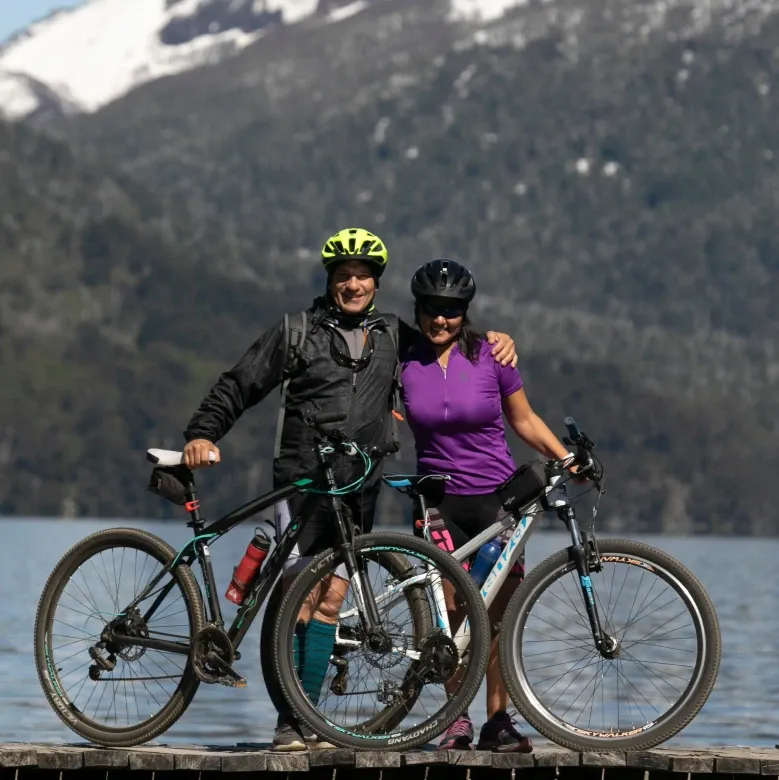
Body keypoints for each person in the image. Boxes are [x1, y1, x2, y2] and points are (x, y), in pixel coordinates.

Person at [180, 229, 518, 751]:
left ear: (376, 286)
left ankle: (308, 718)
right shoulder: (297, 332)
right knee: (304, 596)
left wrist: (498, 339)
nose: (354, 284)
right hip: (302, 481)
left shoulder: (393, 336)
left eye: (363, 276)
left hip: (357, 487)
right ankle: (290, 724)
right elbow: (240, 382)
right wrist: (203, 432)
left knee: (333, 601)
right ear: (330, 281)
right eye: (344, 277)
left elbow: (446, 337)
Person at [400, 258, 576, 753]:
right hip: (435, 500)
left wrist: (565, 458)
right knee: (450, 614)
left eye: (452, 311)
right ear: (418, 310)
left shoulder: (492, 356)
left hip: (497, 500)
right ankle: (455, 719)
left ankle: (498, 720)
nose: (441, 319)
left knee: (497, 613)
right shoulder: (403, 358)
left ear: (465, 313)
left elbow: (523, 420)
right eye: (433, 310)